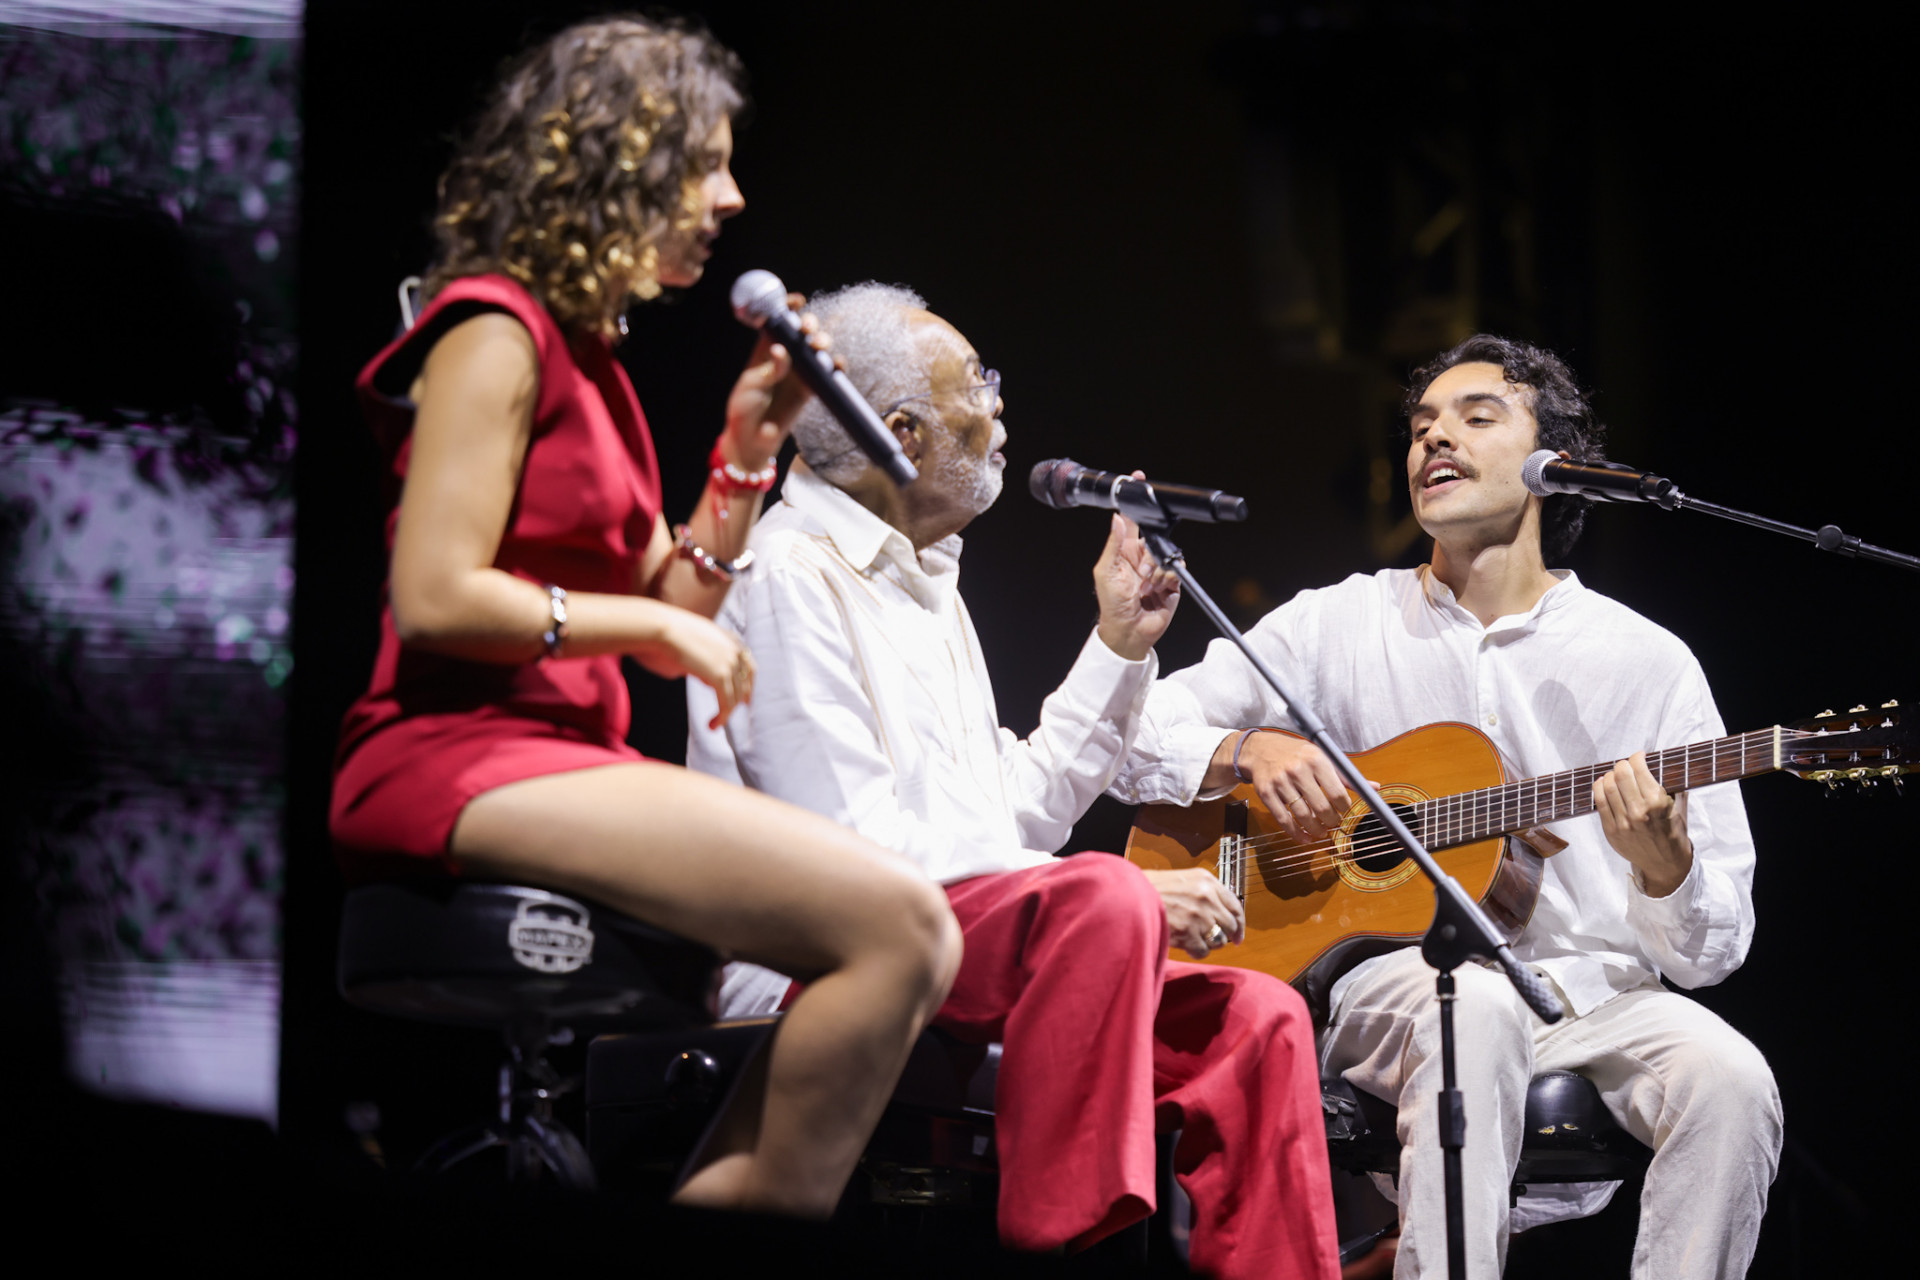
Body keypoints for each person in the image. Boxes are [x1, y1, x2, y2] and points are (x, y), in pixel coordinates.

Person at [327, 17, 961, 1218]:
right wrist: (655, 633)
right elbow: (437, 592)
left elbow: (673, 593)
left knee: (902, 928)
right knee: (898, 926)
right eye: (705, 164)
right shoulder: (492, 329)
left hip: (559, 756)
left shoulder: (595, 364)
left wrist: (745, 451)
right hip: (450, 756)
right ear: (621, 164)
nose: (731, 197)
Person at [686, 282, 1342, 1278]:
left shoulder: (924, 585)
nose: (1000, 405)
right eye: (977, 382)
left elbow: (1016, 816)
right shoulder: (786, 573)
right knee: (1103, 896)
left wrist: (1119, 644)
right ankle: (1059, 1242)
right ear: (900, 430)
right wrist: (1122, 898)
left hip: (962, 943)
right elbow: (853, 852)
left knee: (1258, 1020)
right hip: (825, 960)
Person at [1111, 334, 1782, 1277]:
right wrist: (1244, 750)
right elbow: (1127, 734)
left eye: (1477, 417)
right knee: (1478, 1006)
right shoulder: (1338, 623)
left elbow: (1712, 955)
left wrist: (1666, 869)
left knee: (1734, 1081)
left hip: (1592, 993)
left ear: (1554, 464)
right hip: (1395, 979)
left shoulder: (1648, 662)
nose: (1434, 438)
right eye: (1423, 424)